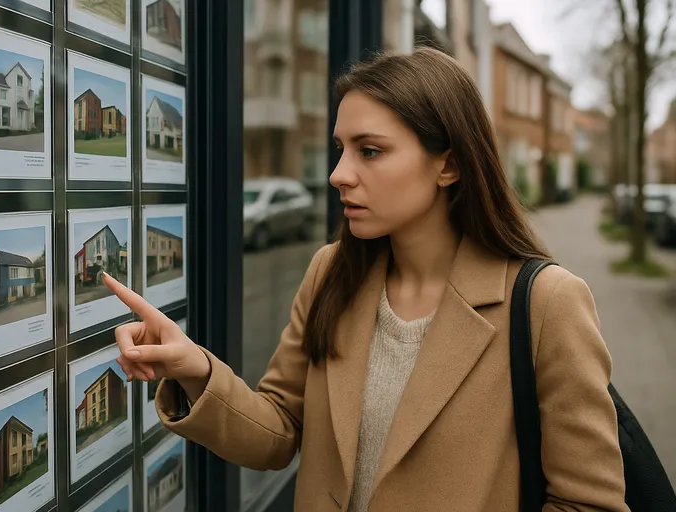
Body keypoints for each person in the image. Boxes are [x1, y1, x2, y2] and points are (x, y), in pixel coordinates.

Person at [102, 47, 629, 511]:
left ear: (448, 165)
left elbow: (589, 502)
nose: (338, 174)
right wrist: (195, 368)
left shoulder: (546, 303)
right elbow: (279, 431)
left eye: (370, 151)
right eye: (341, 148)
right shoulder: (331, 273)